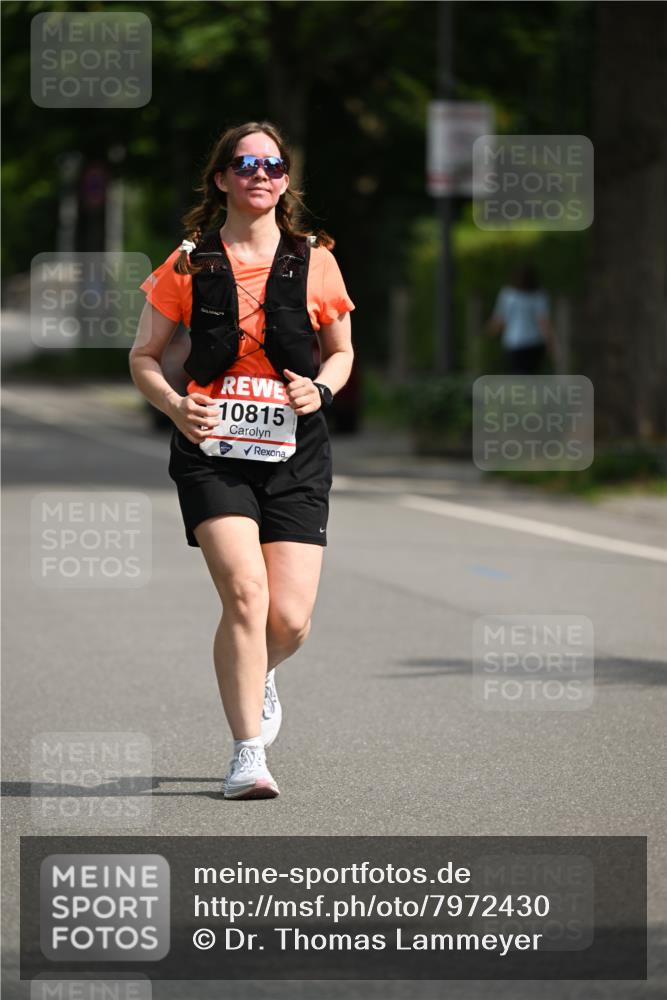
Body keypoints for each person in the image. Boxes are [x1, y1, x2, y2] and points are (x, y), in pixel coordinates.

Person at [129, 121, 355, 800]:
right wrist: (175, 406)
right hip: (212, 450)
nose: (261, 173)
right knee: (245, 595)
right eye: (246, 163)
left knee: (286, 619)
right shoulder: (185, 263)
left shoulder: (315, 260)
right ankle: (247, 754)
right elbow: (142, 358)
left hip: (296, 451)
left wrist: (318, 389)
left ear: (285, 180)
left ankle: (258, 668)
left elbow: (341, 355)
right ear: (222, 178)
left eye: (274, 164)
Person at [486, 265, 554, 374]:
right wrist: (551, 343)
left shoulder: (508, 295)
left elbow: (499, 320)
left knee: (518, 375)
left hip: (514, 342)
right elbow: (543, 322)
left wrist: (488, 336)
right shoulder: (539, 295)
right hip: (534, 342)